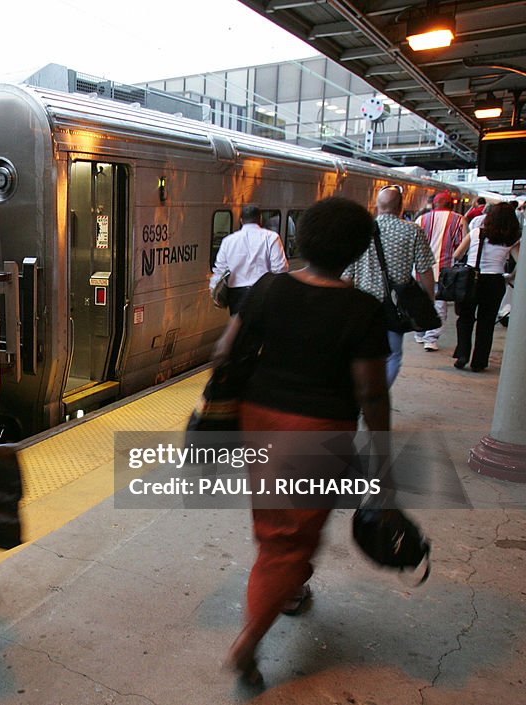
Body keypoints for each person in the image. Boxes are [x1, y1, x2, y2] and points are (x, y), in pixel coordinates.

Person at [220, 197, 390, 685]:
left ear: (300, 240)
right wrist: (384, 460)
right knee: (287, 544)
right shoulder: (362, 309)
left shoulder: (268, 289)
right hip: (317, 431)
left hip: (260, 420)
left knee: (275, 521)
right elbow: (372, 392)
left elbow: (224, 350)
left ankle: (290, 591)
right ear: (356, 252)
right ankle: (247, 645)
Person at [344, 186, 435, 387]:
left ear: (376, 206)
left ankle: (359, 394)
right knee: (392, 355)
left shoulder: (360, 231)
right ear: (401, 207)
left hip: (363, 305)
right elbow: (425, 270)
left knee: (361, 353)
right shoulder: (413, 231)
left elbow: (347, 274)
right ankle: (376, 397)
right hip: (395, 307)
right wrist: (430, 298)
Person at [450, 202, 522, 372]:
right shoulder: (511, 240)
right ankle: (479, 361)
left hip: (471, 280)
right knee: (486, 323)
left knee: (465, 318)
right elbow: (520, 262)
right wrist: (511, 276)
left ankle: (462, 355)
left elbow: (457, 254)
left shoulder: (476, 233)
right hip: (495, 282)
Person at [210, 205, 288, 314]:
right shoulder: (272, 237)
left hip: (236, 294)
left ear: (241, 220)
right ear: (260, 219)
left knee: (239, 326)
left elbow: (220, 269)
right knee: (260, 327)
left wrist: (214, 292)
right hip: (262, 292)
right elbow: (280, 268)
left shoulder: (228, 241)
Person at [416, 192, 466, 351]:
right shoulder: (459, 219)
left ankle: (419, 332)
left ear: (434, 204)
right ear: (451, 204)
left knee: (421, 301)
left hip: (420, 269)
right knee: (439, 305)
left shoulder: (421, 219)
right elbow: (462, 246)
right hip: (445, 272)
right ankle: (431, 338)